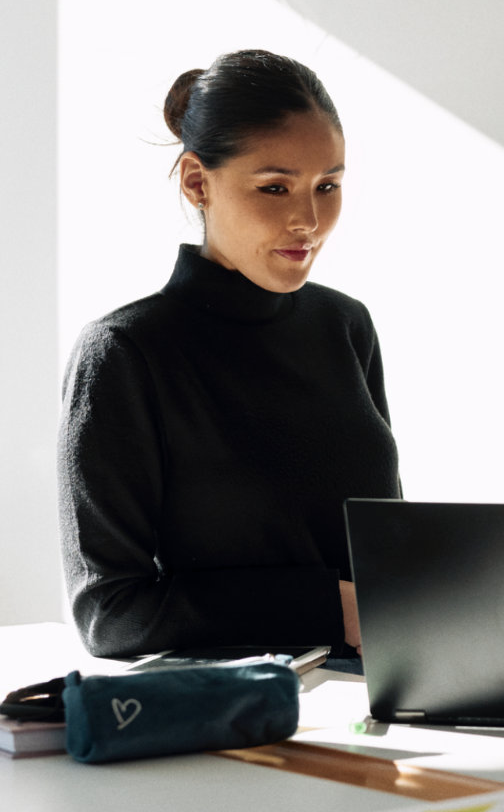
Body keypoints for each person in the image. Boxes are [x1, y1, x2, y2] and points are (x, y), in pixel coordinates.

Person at [58, 49, 400, 660]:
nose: (310, 220)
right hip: (235, 721)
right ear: (197, 182)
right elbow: (109, 614)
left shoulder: (346, 326)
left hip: (384, 697)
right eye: (276, 187)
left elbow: (387, 554)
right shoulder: (126, 354)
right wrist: (329, 607)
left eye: (329, 186)